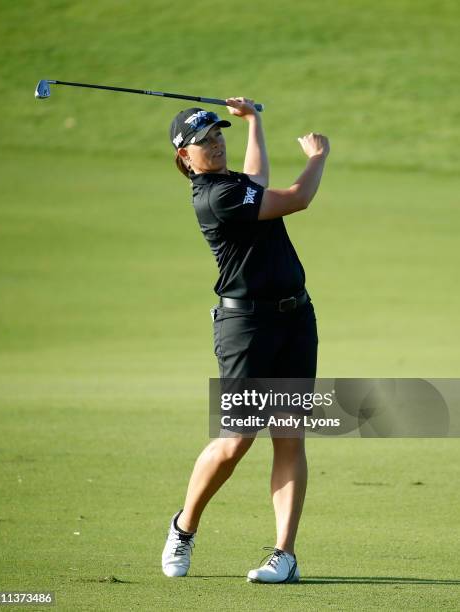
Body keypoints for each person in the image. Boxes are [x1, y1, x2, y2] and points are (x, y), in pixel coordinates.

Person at [162, 98, 330, 583]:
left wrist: (254, 122)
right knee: (237, 440)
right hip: (246, 329)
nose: (215, 144)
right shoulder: (214, 197)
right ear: (185, 159)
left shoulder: (234, 185)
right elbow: (297, 198)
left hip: (295, 319)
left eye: (218, 136)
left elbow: (255, 177)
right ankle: (184, 526)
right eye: (203, 142)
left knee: (288, 436)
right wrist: (317, 157)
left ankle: (285, 555)